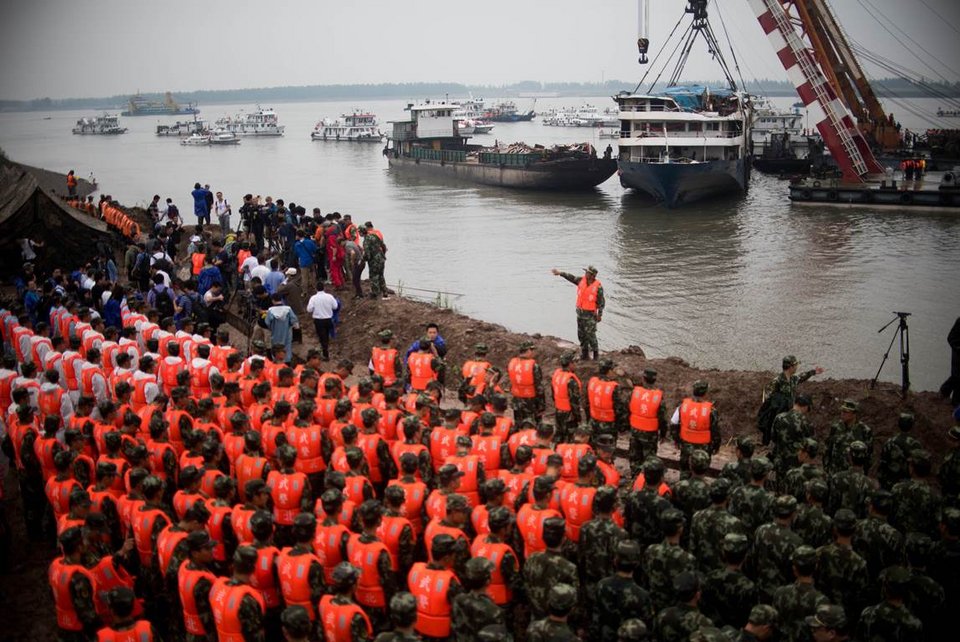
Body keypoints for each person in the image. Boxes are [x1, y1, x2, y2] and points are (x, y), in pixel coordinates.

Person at [758, 356, 823, 445]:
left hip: (789, 412)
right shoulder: (777, 381)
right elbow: (767, 399)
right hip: (777, 413)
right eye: (795, 365)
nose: (797, 367)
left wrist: (813, 372)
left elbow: (801, 377)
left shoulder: (793, 379)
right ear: (791, 366)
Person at [550, 265, 604, 360]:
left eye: (587, 272)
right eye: (586, 272)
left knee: (591, 336)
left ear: (592, 275)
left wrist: (600, 315)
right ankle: (584, 354)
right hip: (580, 314)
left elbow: (601, 302)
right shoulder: (581, 280)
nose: (585, 274)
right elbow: (571, 277)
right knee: (581, 335)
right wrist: (560, 273)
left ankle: (596, 356)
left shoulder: (598, 287)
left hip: (590, 316)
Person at [305, 281, 338, 360]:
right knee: (326, 336)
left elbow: (309, 309)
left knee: (322, 336)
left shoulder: (313, 298)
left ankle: (325, 354)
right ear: (324, 288)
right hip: (328, 319)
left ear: (316, 289)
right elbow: (335, 307)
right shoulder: (329, 296)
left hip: (319, 320)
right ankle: (325, 350)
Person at [265, 294, 299, 364]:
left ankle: (276, 362)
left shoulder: (270, 310)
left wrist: (271, 328)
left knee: (276, 348)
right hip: (287, 333)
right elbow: (294, 320)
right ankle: (287, 362)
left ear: (273, 300)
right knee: (286, 348)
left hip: (275, 334)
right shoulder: (288, 309)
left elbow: (267, 322)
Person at [362, 222, 388, 299]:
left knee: (374, 276)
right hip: (381, 257)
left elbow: (367, 253)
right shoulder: (376, 234)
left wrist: (364, 260)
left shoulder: (367, 239)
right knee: (381, 275)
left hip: (374, 260)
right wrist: (383, 255)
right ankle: (384, 292)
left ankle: (375, 293)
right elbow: (383, 245)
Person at [941, 316, 960, 407]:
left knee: (955, 377)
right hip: (958, 353)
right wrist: (958, 348)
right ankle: (955, 403)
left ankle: (944, 392)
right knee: (957, 377)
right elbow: (950, 338)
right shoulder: (959, 321)